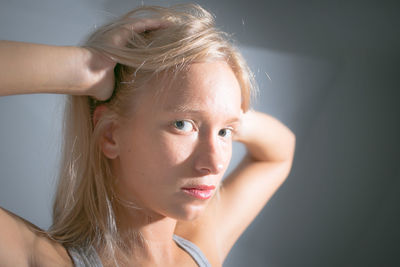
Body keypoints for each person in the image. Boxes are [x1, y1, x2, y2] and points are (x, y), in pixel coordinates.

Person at [0, 4, 295, 267]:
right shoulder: (41, 258)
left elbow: (281, 150)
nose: (215, 164)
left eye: (224, 134)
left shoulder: (202, 247)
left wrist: (220, 114)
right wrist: (86, 68)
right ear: (111, 135)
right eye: (181, 124)